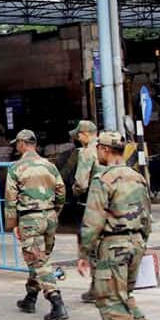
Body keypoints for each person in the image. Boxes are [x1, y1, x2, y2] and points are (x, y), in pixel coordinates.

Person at [78, 130, 159, 320]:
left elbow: (93, 220)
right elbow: (147, 216)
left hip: (113, 246)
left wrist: (84, 253)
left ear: (103, 150)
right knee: (123, 293)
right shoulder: (137, 177)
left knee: (109, 299)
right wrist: (142, 243)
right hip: (136, 243)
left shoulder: (103, 180)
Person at [5, 129, 69, 320]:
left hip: (29, 219)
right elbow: (61, 191)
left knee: (38, 261)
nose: (16, 147)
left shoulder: (16, 168)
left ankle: (56, 302)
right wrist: (55, 211)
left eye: (17, 144)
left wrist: (12, 224)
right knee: (40, 258)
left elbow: (10, 199)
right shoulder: (50, 166)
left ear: (23, 144)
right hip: (49, 216)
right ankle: (30, 297)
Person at [70, 119, 102, 304]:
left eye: (79, 134)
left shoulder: (87, 152)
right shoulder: (107, 148)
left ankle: (97, 289)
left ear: (86, 134)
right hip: (112, 202)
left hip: (93, 203)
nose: (78, 138)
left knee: (92, 244)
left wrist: (75, 191)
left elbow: (81, 183)